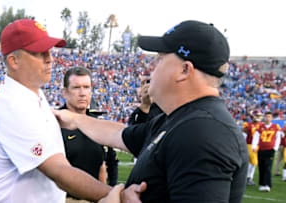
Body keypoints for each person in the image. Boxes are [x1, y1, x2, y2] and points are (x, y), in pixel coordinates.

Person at [54, 20, 248, 202]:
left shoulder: (202, 132)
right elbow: (119, 134)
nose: (151, 67)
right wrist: (73, 118)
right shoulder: (180, 119)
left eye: (160, 59)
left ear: (184, 70)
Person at [0, 19, 144, 203]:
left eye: (50, 51)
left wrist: (73, 119)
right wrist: (119, 196)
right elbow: (59, 171)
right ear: (14, 61)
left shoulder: (31, 93)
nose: (50, 58)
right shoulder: (13, 105)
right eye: (40, 53)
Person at [60, 67, 109, 202]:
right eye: (76, 87)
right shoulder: (54, 124)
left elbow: (102, 166)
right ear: (65, 93)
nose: (82, 93)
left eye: (86, 87)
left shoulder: (97, 124)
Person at [252, 111, 282, 192]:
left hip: (270, 150)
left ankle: (267, 184)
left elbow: (278, 138)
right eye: (266, 116)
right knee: (261, 167)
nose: (267, 118)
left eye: (269, 116)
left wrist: (275, 148)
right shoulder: (260, 127)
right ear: (264, 117)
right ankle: (262, 184)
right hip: (261, 149)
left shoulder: (276, 126)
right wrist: (254, 146)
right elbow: (256, 137)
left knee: (268, 168)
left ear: (271, 118)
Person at [242, 110, 263, 186]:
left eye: (259, 115)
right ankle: (248, 178)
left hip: (259, 145)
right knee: (254, 162)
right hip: (250, 145)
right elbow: (243, 135)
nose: (259, 117)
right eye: (257, 115)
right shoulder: (247, 124)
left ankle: (249, 177)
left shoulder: (261, 124)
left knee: (254, 163)